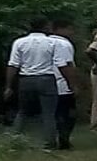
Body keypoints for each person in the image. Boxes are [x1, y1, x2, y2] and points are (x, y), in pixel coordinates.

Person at [5, 17, 70, 150]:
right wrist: (70, 83)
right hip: (46, 78)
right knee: (48, 113)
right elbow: (61, 64)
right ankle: (49, 144)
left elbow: (13, 65)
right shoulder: (52, 43)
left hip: (26, 79)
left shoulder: (19, 42)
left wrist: (8, 86)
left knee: (23, 111)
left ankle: (14, 140)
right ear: (46, 27)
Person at [49, 18, 79, 150]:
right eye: (69, 29)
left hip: (47, 82)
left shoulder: (46, 41)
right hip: (62, 83)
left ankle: (51, 139)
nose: (72, 32)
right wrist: (72, 84)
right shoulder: (63, 44)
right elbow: (66, 65)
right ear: (60, 29)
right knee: (67, 114)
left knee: (51, 113)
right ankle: (64, 139)